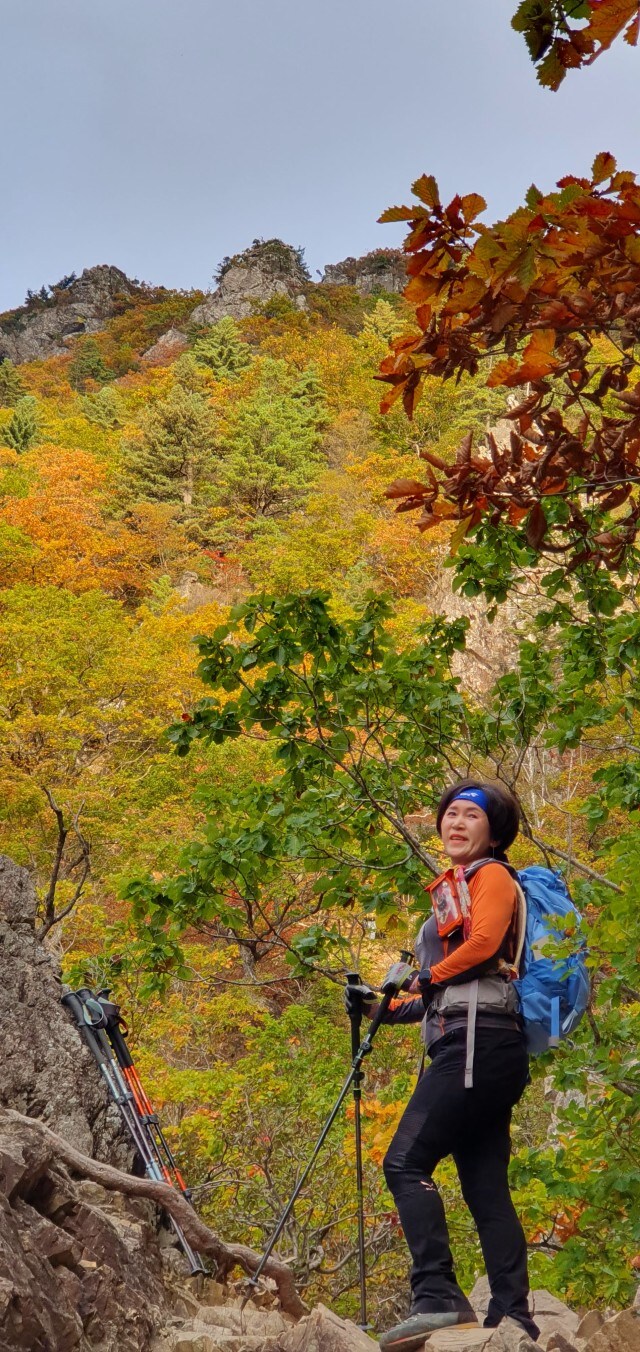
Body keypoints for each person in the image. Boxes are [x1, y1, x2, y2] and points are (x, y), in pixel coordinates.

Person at [345, 780, 539, 1352]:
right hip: (478, 1041)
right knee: (485, 1188)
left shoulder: (493, 876)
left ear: (494, 831)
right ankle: (514, 1317)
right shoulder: (455, 888)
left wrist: (423, 976)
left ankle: (436, 1296)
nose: (455, 823)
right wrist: (384, 1008)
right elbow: (440, 992)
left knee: (404, 1162)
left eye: (470, 816)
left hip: (478, 1046)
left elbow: (480, 947)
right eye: (449, 814)